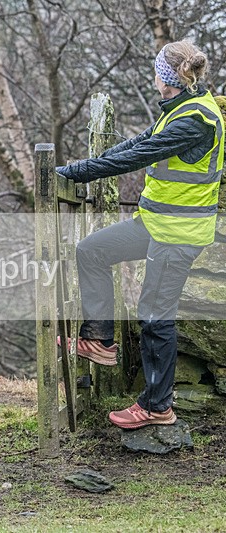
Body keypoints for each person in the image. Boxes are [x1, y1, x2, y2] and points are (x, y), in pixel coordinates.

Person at [56, 41, 223, 429]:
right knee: (91, 251)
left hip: (178, 234)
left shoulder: (195, 119)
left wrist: (76, 173)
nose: (153, 78)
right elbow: (136, 142)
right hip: (156, 223)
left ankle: (156, 406)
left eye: (156, 72)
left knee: (155, 317)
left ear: (166, 79)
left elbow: (137, 157)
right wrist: (74, 167)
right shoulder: (180, 108)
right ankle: (100, 340)